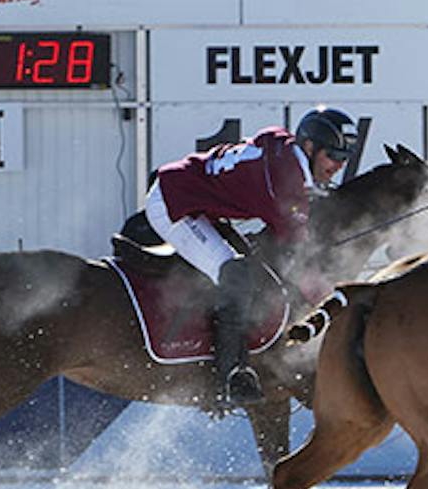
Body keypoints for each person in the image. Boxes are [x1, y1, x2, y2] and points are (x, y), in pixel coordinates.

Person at [143, 107, 354, 407]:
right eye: (333, 155)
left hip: (196, 200)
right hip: (173, 205)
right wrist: (332, 298)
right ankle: (230, 377)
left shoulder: (287, 152)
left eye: (345, 158)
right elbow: (298, 264)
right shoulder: (286, 184)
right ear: (310, 147)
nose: (339, 165)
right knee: (236, 273)